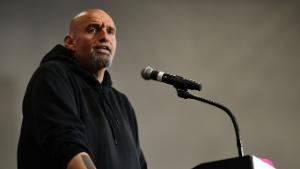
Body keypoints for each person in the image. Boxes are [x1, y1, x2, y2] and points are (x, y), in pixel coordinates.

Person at [17, 9, 147, 169]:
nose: (105, 36)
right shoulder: (52, 76)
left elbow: (139, 164)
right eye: (93, 29)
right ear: (70, 43)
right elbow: (68, 147)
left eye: (111, 32)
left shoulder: (122, 103)